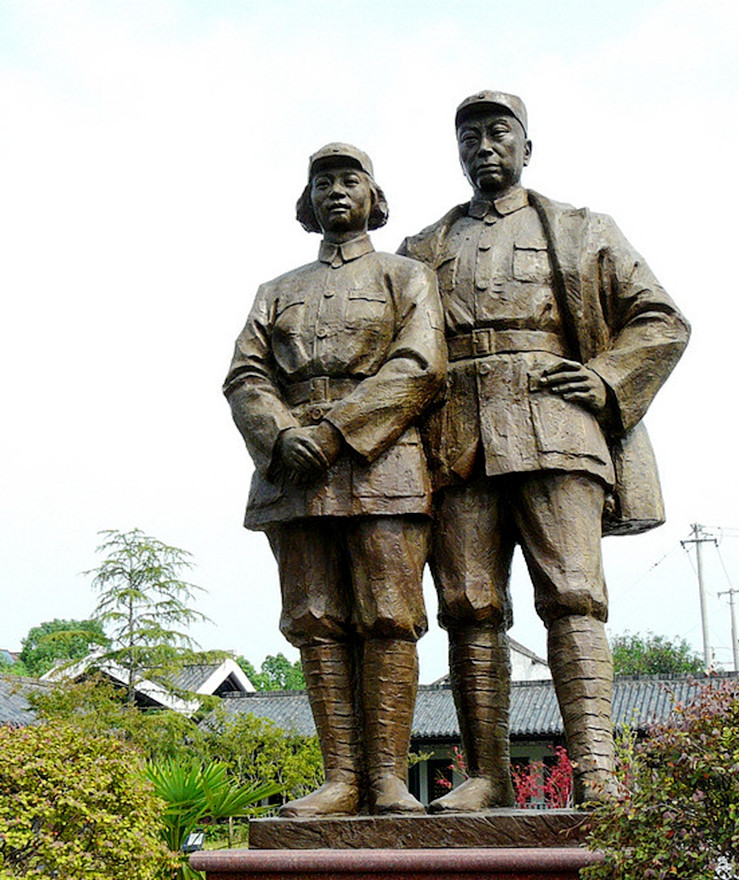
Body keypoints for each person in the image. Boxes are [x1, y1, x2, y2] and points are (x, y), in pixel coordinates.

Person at [400, 91, 690, 809]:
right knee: (468, 605)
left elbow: (660, 320)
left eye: (499, 132)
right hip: (455, 437)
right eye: (468, 135)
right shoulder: (419, 250)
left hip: (555, 423)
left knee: (573, 595)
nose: (483, 145)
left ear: (528, 147)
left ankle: (596, 768)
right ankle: (486, 772)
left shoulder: (582, 230)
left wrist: (602, 375)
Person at [224, 143, 446, 817]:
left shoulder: (407, 276)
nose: (335, 191)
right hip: (291, 473)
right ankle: (341, 777)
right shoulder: (276, 291)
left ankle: (385, 777)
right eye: (322, 181)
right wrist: (284, 434)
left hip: (384, 464)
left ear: (374, 195)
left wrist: (338, 430)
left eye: (350, 179)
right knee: (316, 620)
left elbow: (420, 364)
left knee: (388, 618)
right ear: (307, 199)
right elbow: (244, 375)